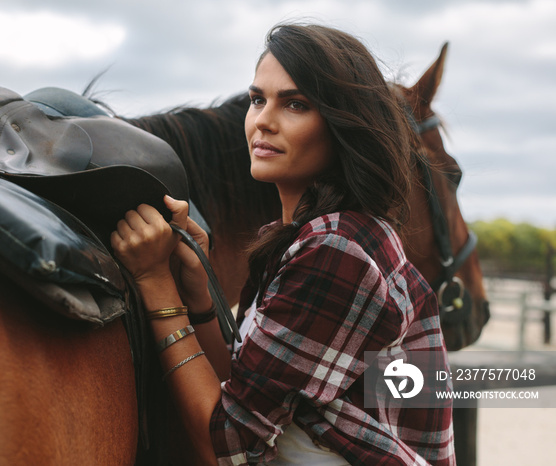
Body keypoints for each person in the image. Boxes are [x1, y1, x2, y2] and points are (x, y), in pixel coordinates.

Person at [111, 23, 455, 465]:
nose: (263, 121)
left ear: (342, 125)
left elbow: (228, 446)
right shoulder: (305, 239)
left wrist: (155, 284)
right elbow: (240, 390)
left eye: (295, 104)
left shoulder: (338, 252)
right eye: (257, 99)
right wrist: (197, 285)